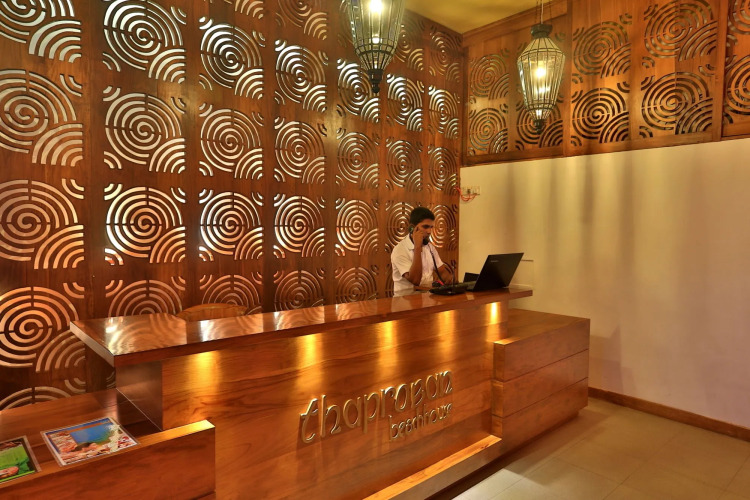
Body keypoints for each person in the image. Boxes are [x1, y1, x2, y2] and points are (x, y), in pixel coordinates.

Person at [391, 207, 453, 295]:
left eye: (431, 227)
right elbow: (415, 280)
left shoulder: (430, 247)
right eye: (425, 227)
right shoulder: (400, 250)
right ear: (412, 228)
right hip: (405, 300)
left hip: (427, 298)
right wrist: (417, 247)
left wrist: (450, 280)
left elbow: (442, 272)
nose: (429, 231)